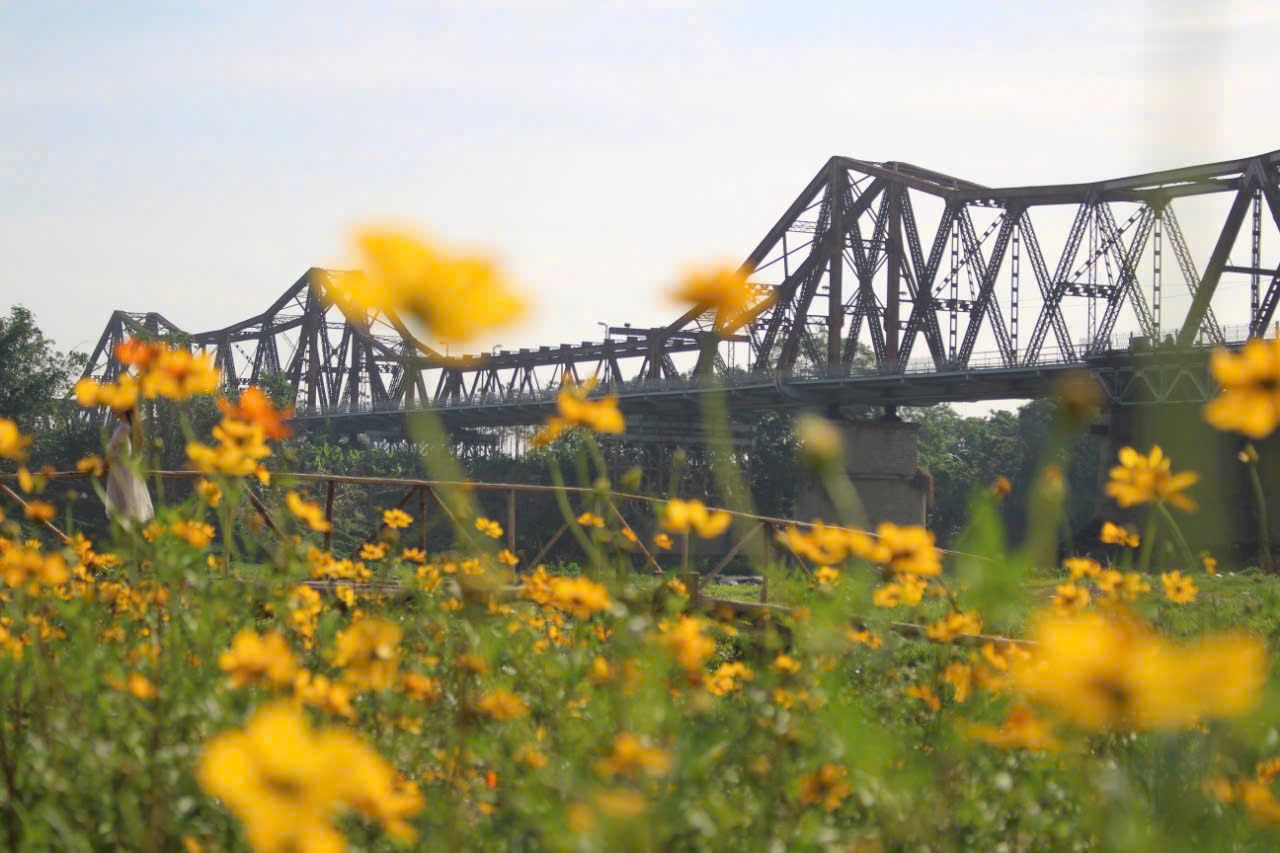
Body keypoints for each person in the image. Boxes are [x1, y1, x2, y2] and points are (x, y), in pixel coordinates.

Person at [104, 407, 154, 527]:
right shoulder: (128, 428)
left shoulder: (124, 429)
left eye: (115, 406)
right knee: (126, 515)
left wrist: (101, 466)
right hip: (125, 473)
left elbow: (113, 454)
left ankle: (126, 543)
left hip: (121, 475)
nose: (112, 409)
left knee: (123, 515)